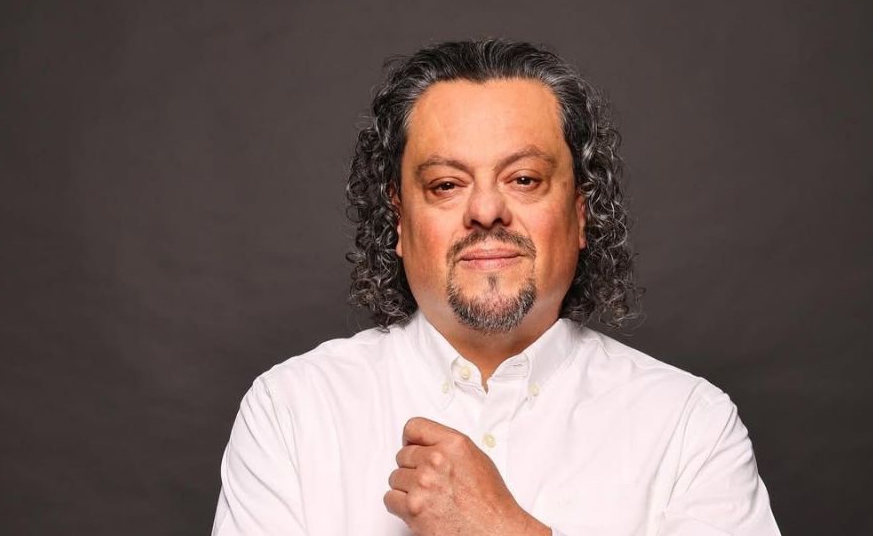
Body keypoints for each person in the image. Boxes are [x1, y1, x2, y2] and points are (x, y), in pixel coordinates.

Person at [212, 38, 780, 536]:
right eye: (446, 184)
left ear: (581, 213)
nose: (486, 210)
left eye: (524, 179)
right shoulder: (292, 412)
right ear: (399, 221)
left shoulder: (690, 426)